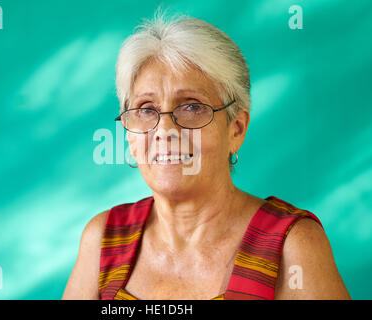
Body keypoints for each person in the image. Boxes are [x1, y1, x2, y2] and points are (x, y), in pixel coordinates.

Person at [62, 10, 351, 300]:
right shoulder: (102, 240)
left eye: (191, 107)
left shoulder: (292, 246)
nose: (165, 130)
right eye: (146, 109)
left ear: (236, 129)